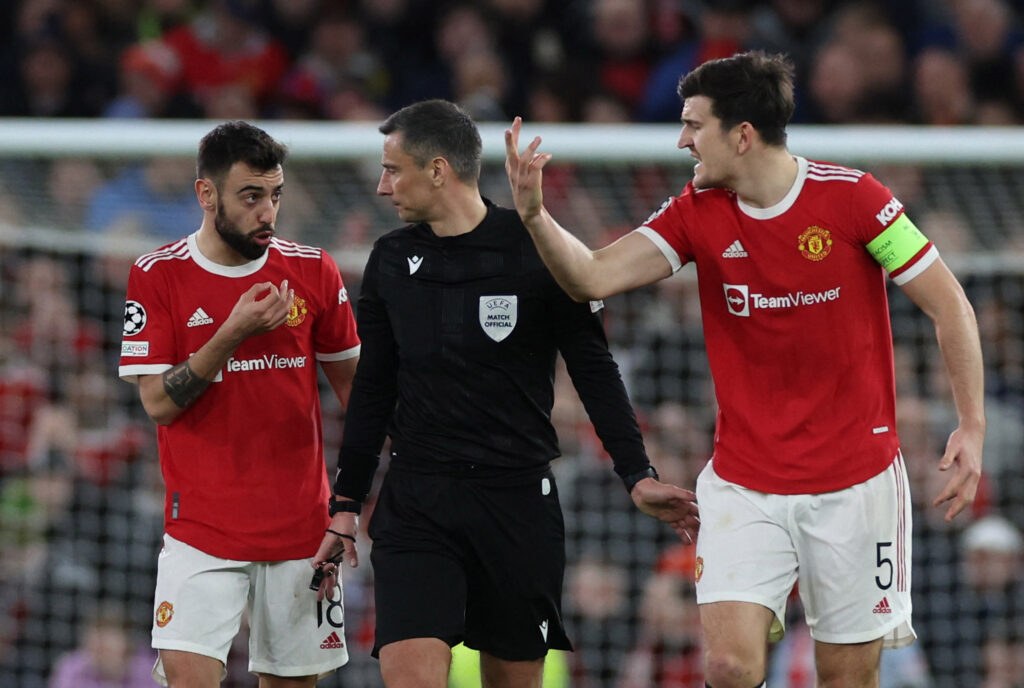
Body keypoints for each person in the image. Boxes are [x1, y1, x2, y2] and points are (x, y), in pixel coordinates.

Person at [505, 51, 985, 688]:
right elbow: (592, 274)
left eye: (693, 125)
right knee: (729, 668)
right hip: (745, 483)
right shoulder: (696, 212)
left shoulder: (854, 201)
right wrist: (536, 216)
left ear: (742, 134)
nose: (682, 140)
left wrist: (971, 426)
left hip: (856, 485)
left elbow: (948, 303)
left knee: (846, 677)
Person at [311, 99, 700, 688]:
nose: (383, 186)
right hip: (419, 501)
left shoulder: (538, 248)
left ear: (438, 170)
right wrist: (346, 505)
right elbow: (372, 391)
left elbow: (594, 368)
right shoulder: (390, 259)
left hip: (517, 502)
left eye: (393, 169)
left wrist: (636, 472)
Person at [117, 121, 361, 688]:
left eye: (275, 195)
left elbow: (359, 393)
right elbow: (157, 403)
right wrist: (232, 332)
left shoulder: (312, 270)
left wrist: (354, 500)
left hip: (303, 527)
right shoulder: (157, 275)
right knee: (187, 677)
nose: (267, 212)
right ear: (207, 195)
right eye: (250, 196)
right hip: (200, 530)